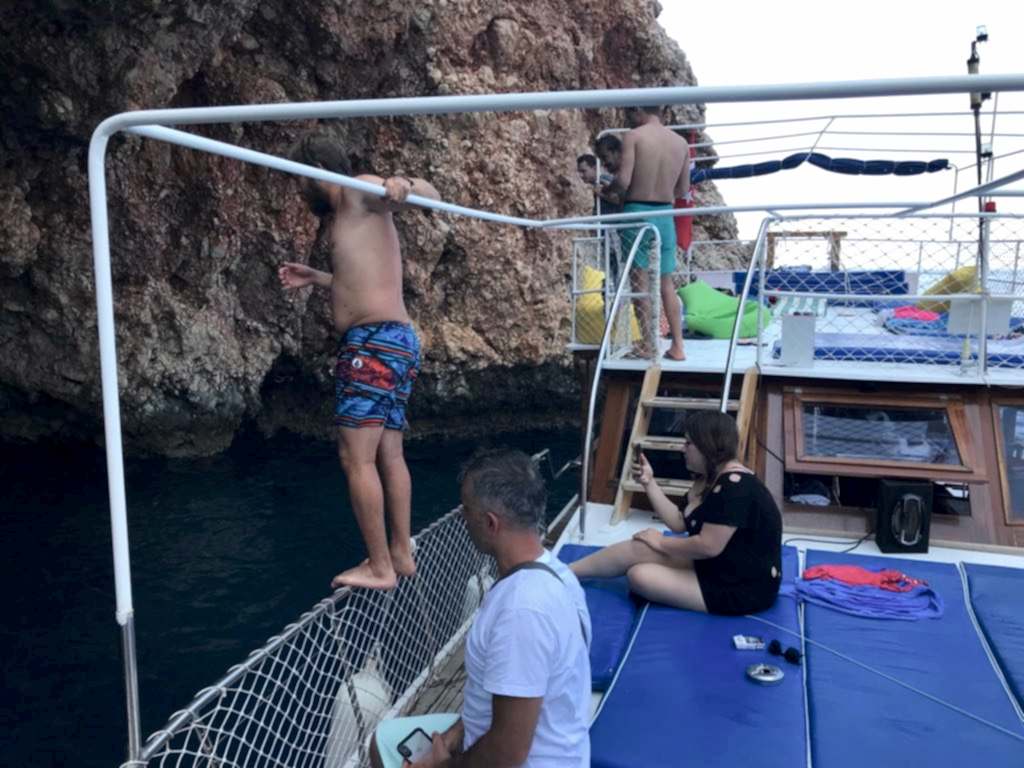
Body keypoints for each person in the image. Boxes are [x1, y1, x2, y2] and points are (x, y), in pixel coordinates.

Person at [278, 133, 441, 590]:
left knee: (355, 458)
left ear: (315, 172)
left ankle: (380, 567)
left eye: (299, 181)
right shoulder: (350, 213)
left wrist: (404, 184)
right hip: (397, 342)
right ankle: (401, 553)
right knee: (390, 452)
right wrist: (318, 277)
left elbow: (430, 195)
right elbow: (361, 279)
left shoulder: (358, 189)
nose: (299, 192)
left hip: (372, 346)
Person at [370, 450, 592, 768]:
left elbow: (507, 754)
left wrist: (440, 766)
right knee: (384, 739)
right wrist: (453, 736)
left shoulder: (521, 611)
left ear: (490, 523)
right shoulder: (558, 575)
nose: (462, 518)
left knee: (387, 748)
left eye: (466, 509)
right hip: (550, 744)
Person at [570, 411, 782, 615]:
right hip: (719, 565)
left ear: (707, 445)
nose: (683, 448)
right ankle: (566, 572)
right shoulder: (708, 479)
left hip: (742, 586)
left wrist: (661, 542)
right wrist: (649, 482)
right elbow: (679, 521)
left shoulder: (737, 487)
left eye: (688, 443)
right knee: (640, 548)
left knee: (639, 575)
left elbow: (708, 546)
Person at [606, 105, 690, 361]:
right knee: (666, 282)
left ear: (639, 111)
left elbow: (624, 181)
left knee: (639, 280)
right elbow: (683, 189)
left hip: (636, 212)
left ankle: (649, 344)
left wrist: (609, 191)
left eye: (630, 113)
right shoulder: (681, 143)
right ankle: (678, 346)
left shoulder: (634, 136)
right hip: (666, 214)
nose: (629, 118)